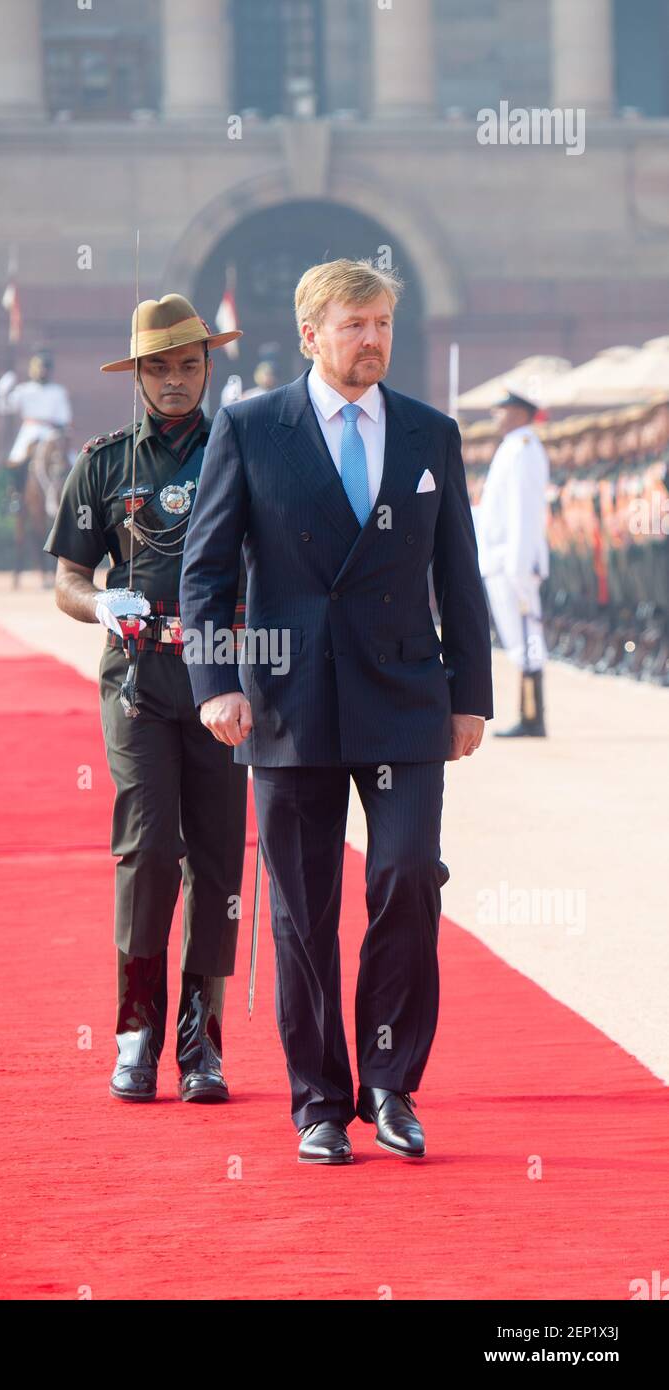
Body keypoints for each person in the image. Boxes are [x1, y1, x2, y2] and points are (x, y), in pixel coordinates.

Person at [180, 258, 493, 1165]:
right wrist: (218, 684)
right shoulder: (248, 429)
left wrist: (468, 697)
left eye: (384, 323)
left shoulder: (432, 434)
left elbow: (458, 575)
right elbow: (204, 575)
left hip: (405, 699)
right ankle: (318, 1101)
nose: (374, 340)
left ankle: (390, 1087)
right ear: (311, 333)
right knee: (302, 910)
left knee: (404, 878)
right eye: (355, 324)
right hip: (288, 703)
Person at [43, 294, 248, 1104]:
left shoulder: (244, 453)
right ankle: (137, 1031)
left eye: (188, 365)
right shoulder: (102, 464)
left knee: (219, 861)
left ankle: (203, 1044)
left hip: (223, 677)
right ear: (136, 374)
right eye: (158, 367)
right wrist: (99, 604)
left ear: (209, 366)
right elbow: (65, 579)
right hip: (138, 680)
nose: (174, 380)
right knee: (148, 850)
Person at [476, 390, 550, 736]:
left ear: (520, 412)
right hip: (502, 558)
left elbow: (523, 511)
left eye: (502, 409)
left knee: (527, 638)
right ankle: (528, 712)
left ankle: (533, 716)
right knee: (518, 638)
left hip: (514, 561)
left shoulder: (523, 449)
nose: (497, 415)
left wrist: (520, 566)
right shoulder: (512, 447)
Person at [0, 348, 72, 511]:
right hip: (29, 432)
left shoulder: (58, 391)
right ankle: (16, 497)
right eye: (39, 367)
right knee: (15, 462)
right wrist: (4, 387)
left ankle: (70, 497)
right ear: (33, 369)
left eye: (45, 367)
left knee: (72, 461)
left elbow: (65, 418)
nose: (42, 371)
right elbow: (4, 407)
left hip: (52, 433)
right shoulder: (24, 390)